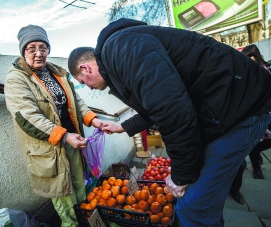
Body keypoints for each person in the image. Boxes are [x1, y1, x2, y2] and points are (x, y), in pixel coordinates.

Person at [68, 18, 271, 226]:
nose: (89, 89)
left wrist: (181, 176)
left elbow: (172, 110)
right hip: (234, 108)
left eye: (83, 83)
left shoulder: (121, 50)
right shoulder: (121, 50)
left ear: (85, 68)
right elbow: (155, 106)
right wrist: (121, 126)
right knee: (204, 204)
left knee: (193, 207)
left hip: (240, 110)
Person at [4, 25, 103, 227]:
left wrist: (92, 119)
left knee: (79, 192)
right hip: (50, 152)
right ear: (23, 51)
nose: (38, 53)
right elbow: (28, 118)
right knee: (65, 203)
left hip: (72, 143)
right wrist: (65, 136)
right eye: (32, 48)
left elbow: (75, 102)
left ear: (49, 49)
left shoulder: (57, 73)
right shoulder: (17, 78)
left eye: (43, 47)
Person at [241, 44, 271, 179]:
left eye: (248, 57)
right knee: (255, 141)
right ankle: (256, 167)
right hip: (258, 112)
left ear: (254, 56)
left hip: (268, 111)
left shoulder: (266, 69)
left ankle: (256, 155)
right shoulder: (248, 72)